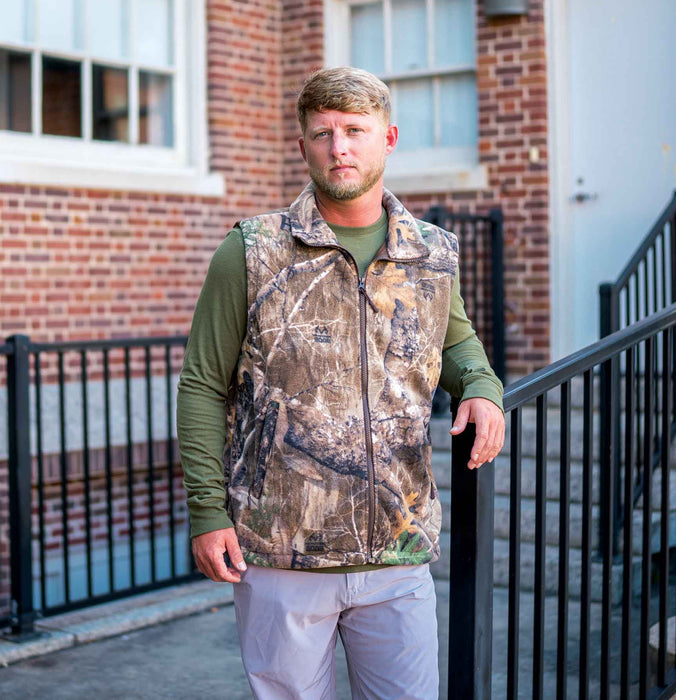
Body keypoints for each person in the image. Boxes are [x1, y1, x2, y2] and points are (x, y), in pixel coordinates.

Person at [177, 66, 505, 699]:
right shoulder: (251, 251)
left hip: (398, 547)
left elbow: (456, 341)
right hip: (282, 551)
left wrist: (482, 389)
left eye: (355, 130)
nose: (340, 148)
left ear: (389, 138)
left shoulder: (432, 252)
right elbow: (202, 386)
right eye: (323, 133)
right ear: (302, 145)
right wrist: (207, 511)